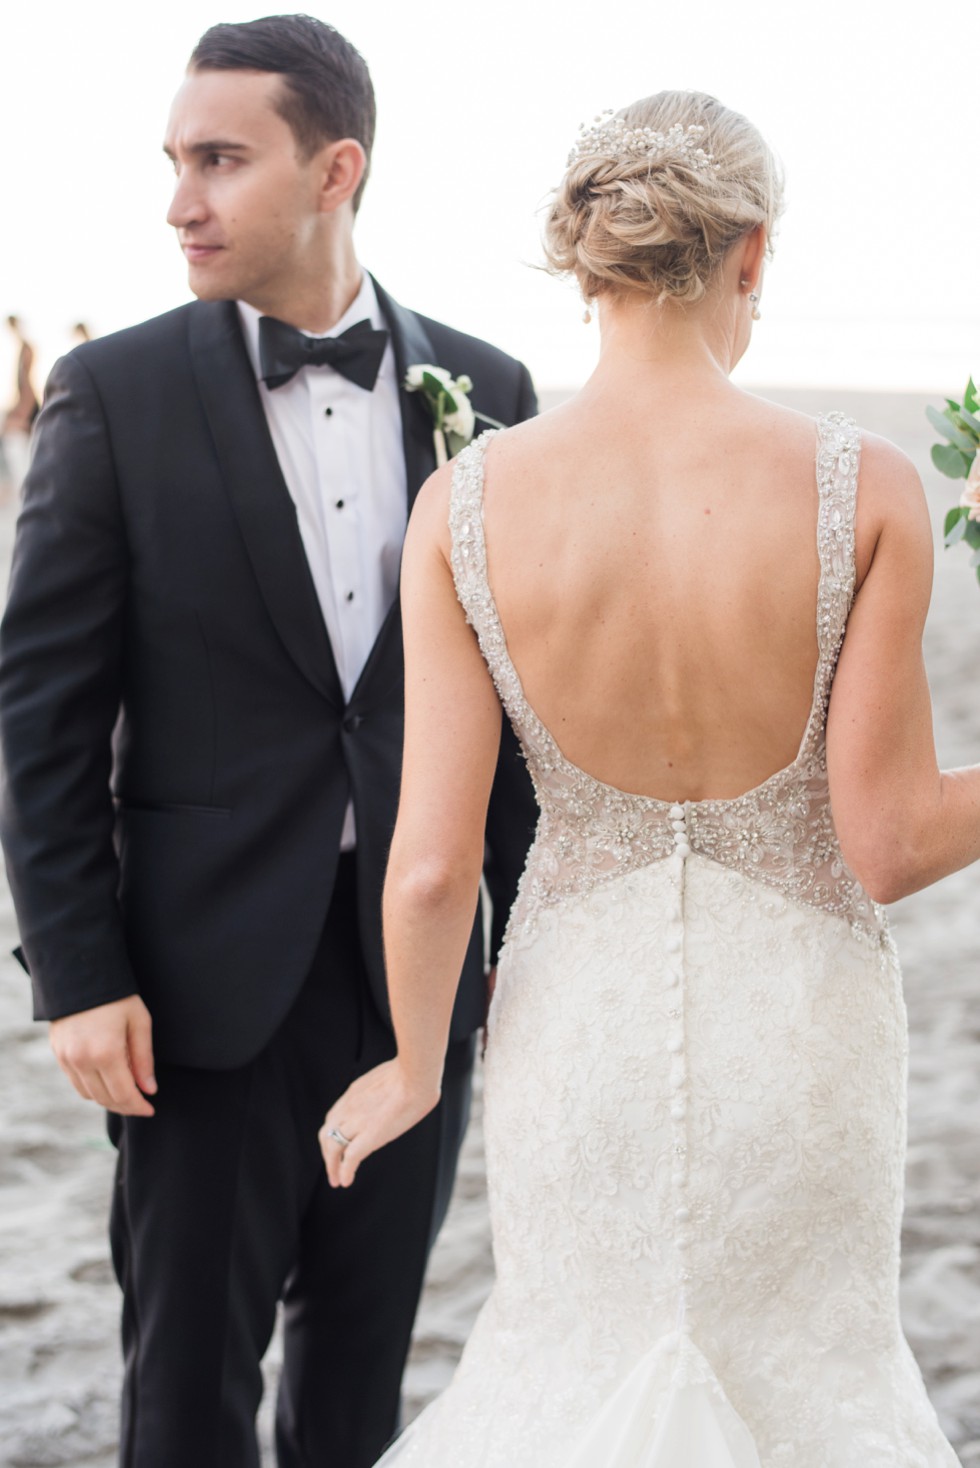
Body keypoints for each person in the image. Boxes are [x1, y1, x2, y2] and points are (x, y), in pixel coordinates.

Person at [322, 92, 968, 1466]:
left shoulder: (469, 504)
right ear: (750, 254)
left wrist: (414, 1066)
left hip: (579, 1031)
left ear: (587, 262)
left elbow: (432, 865)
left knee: (570, 1365)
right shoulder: (868, 487)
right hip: (801, 1037)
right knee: (813, 1388)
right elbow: (893, 841)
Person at [0, 16, 536, 1468]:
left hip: (417, 993)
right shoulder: (112, 398)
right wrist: (81, 975)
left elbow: (521, 711)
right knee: (184, 1398)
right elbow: (41, 712)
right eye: (176, 163)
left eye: (221, 161)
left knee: (358, 1393)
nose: (181, 199)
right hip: (195, 1001)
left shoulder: (489, 395)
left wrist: (519, 951)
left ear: (335, 168)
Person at [2, 314, 39, 496]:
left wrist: (22, 415)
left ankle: (22, 489)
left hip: (30, 407)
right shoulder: (22, 347)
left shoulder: (26, 348)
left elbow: (27, 386)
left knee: (12, 437)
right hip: (25, 404)